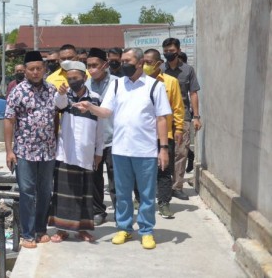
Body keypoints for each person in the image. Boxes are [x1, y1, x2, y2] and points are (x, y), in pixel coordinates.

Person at [74, 48, 171, 250]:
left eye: (127, 60)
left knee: (146, 194)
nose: (123, 63)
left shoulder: (155, 87)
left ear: (140, 62)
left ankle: (146, 230)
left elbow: (162, 119)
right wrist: (91, 107)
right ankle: (124, 228)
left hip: (145, 150)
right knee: (122, 193)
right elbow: (107, 111)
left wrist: (163, 148)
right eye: (123, 60)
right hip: (120, 150)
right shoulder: (117, 85)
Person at [4, 51, 58, 249]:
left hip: (48, 150)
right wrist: (9, 151)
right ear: (25, 71)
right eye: (31, 69)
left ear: (44, 69)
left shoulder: (52, 90)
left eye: (39, 69)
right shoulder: (17, 92)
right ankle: (27, 234)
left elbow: (57, 117)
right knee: (27, 191)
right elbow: (9, 121)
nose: (35, 72)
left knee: (45, 191)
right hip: (24, 151)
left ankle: (40, 229)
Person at [49, 60, 104, 243]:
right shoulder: (66, 97)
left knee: (85, 193)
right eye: (69, 78)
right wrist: (61, 93)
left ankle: (83, 230)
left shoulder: (95, 98)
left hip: (87, 153)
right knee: (63, 193)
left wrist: (99, 151)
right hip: (66, 152)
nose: (72, 81)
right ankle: (62, 230)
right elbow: (60, 103)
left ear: (84, 77)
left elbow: (100, 127)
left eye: (76, 78)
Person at [134, 49, 184, 219]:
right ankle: (139, 198)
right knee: (140, 169)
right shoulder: (137, 82)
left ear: (158, 64)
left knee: (164, 170)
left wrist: (179, 129)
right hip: (141, 134)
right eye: (143, 62)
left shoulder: (170, 82)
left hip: (164, 134)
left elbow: (178, 107)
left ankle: (164, 203)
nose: (145, 66)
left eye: (148, 62)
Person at [161, 38, 201, 201]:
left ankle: (177, 186)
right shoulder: (160, 70)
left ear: (178, 51)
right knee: (163, 151)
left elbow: (193, 94)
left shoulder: (188, 70)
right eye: (166, 51)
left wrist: (196, 116)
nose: (168, 54)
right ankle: (162, 185)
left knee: (181, 152)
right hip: (161, 118)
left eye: (171, 51)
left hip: (182, 117)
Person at [85, 47, 118, 225]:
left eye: (95, 65)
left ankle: (120, 211)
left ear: (104, 65)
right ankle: (98, 210)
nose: (91, 69)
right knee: (94, 177)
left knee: (116, 178)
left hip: (114, 138)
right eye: (89, 66)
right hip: (93, 140)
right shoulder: (86, 85)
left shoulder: (118, 83)